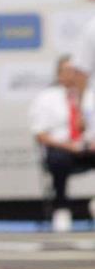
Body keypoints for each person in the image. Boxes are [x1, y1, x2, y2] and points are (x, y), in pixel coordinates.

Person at [29, 55, 95, 231]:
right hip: (61, 148)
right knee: (59, 159)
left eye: (76, 71)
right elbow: (40, 133)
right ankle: (61, 207)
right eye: (68, 71)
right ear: (59, 75)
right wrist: (67, 145)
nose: (73, 75)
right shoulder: (46, 98)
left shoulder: (91, 96)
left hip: (88, 147)